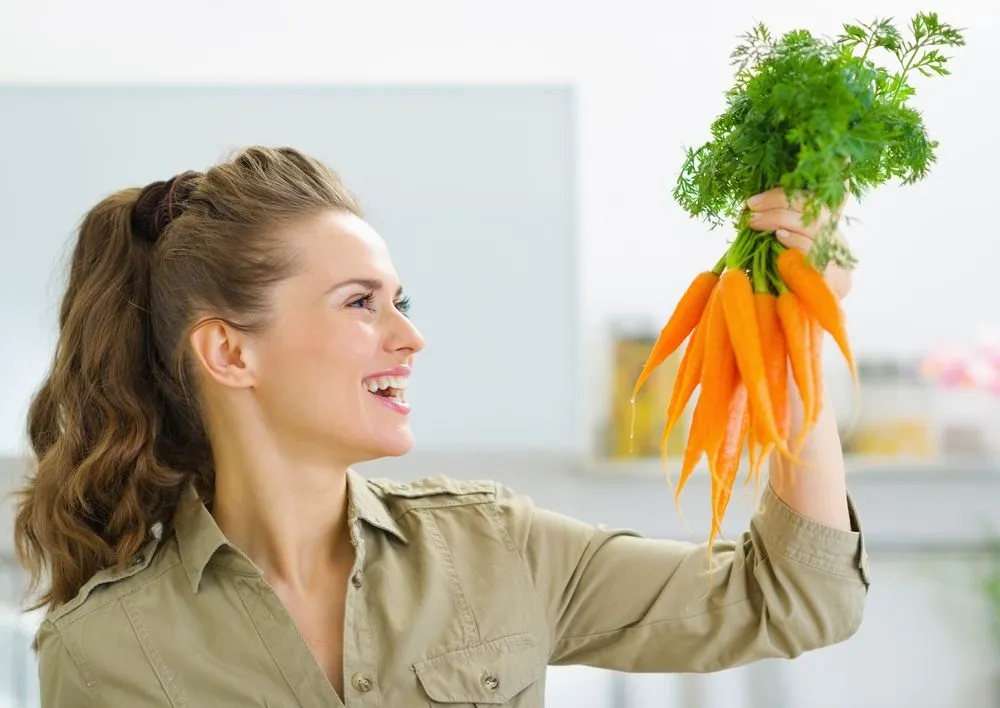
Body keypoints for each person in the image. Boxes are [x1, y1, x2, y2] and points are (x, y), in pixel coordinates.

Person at [14, 146, 869, 707]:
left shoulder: (496, 547)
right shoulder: (103, 651)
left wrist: (793, 345)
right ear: (230, 354)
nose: (409, 336)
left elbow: (793, 600)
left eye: (401, 302)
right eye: (360, 304)